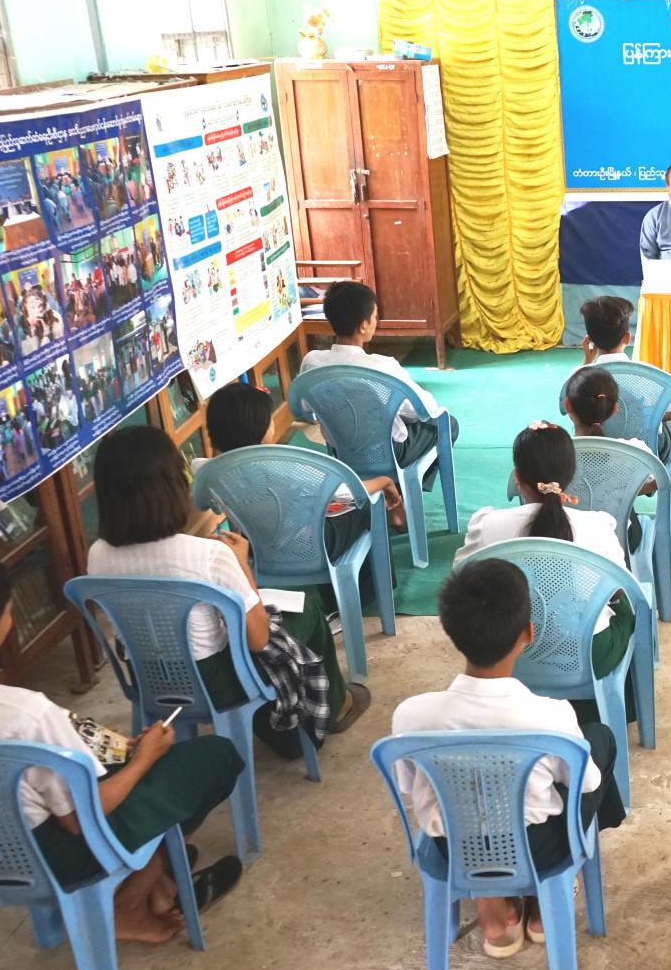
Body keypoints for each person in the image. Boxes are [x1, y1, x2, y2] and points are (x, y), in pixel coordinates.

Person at [0, 564, 246, 944]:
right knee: (215, 756)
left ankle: (160, 882)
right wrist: (146, 757)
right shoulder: (25, 715)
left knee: (121, 767)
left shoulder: (22, 713)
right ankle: (127, 904)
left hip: (4, 848)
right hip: (54, 857)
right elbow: (80, 820)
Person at [84, 426, 367, 757]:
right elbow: (258, 640)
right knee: (307, 611)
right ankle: (330, 710)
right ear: (172, 487)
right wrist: (241, 565)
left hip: (146, 680)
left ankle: (291, 722)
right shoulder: (206, 554)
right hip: (215, 683)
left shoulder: (97, 555)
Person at [391, 558, 626, 955]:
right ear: (528, 633)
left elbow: (408, 785)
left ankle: (493, 908)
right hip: (537, 849)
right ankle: (543, 902)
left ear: (450, 632)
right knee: (598, 740)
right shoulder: (550, 716)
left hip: (454, 848)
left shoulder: (411, 716)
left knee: (470, 795)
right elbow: (585, 784)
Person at [454, 421, 635, 725]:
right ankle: (613, 709)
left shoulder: (487, 525)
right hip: (589, 655)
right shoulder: (597, 525)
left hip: (509, 651)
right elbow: (619, 590)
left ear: (517, 476)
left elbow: (461, 580)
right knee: (629, 606)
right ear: (571, 474)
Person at [200, 381, 407, 608]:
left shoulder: (206, 471)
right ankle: (361, 595)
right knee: (365, 506)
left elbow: (204, 504)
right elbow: (348, 491)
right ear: (260, 429)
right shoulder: (284, 464)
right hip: (307, 550)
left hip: (256, 552)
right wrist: (385, 482)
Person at [299, 281, 457, 492]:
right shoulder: (383, 366)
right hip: (390, 454)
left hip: (341, 452)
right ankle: (403, 491)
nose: (376, 322)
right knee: (448, 424)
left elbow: (304, 409)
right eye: (375, 317)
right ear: (363, 326)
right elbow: (425, 409)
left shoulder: (311, 363)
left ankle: (389, 492)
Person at [563, 365, 655, 554]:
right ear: (614, 409)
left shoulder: (549, 454)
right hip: (619, 541)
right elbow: (655, 483)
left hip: (566, 543)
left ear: (568, 405)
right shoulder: (635, 452)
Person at [579, 294, 671, 461]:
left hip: (601, 454)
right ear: (627, 337)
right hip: (648, 453)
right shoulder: (649, 376)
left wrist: (587, 361)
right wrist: (653, 417)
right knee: (661, 418)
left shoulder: (578, 377)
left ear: (589, 339)